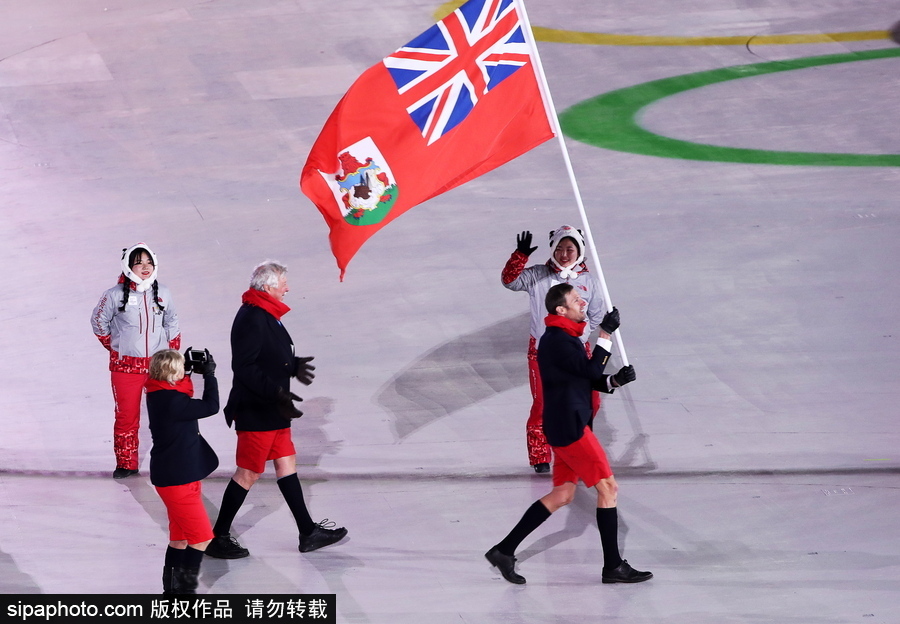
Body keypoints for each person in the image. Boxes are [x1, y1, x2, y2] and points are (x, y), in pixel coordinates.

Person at [485, 283, 651, 585]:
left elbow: (581, 378)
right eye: (576, 299)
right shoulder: (558, 340)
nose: (582, 302)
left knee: (563, 494)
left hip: (563, 426)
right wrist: (605, 334)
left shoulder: (563, 338)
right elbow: (588, 372)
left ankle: (503, 551)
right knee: (608, 489)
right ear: (561, 309)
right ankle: (613, 567)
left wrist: (614, 380)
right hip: (571, 429)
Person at [204, 260, 347, 559]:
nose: (287, 288)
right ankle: (217, 537)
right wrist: (278, 393)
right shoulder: (252, 317)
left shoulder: (267, 313)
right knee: (248, 473)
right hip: (257, 410)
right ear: (268, 287)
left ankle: (308, 532)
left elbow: (267, 354)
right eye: (283, 283)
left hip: (273, 410)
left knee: (286, 463)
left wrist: (291, 366)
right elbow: (243, 367)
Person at [502, 225, 619, 473]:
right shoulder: (538, 274)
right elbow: (510, 281)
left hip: (575, 348)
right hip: (542, 351)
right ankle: (540, 455)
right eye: (560, 248)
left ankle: (580, 448)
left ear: (580, 251)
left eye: (570, 249)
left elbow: (597, 314)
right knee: (543, 403)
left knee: (590, 401)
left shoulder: (589, 282)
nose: (565, 254)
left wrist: (579, 335)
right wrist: (519, 256)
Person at [91, 243, 181, 479]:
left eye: (148, 262)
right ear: (128, 265)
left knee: (166, 415)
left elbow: (172, 322)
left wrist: (171, 355)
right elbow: (98, 322)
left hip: (158, 368)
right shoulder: (114, 294)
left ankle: (170, 461)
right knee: (126, 417)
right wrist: (116, 347)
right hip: (125, 368)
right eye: (138, 262)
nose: (145, 267)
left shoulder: (164, 293)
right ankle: (126, 464)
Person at [146, 348, 219, 595]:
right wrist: (210, 376)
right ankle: (185, 595)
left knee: (180, 539)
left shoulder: (159, 392)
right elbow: (211, 406)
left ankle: (172, 594)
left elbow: (181, 390)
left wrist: (185, 371)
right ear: (172, 373)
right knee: (201, 539)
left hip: (178, 476)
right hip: (178, 480)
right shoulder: (174, 402)